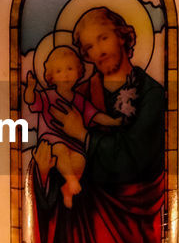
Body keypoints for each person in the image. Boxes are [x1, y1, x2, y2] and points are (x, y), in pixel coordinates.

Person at [29, 5, 167, 243]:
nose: (98, 51)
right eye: (89, 47)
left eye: (103, 39)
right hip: (81, 228)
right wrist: (42, 171)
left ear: (122, 36)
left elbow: (136, 159)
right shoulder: (77, 95)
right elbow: (51, 145)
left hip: (133, 224)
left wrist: (83, 135)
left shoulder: (152, 95)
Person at [23, 44, 120, 207]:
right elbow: (31, 100)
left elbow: (95, 116)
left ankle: (67, 189)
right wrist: (31, 88)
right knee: (60, 150)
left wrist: (114, 121)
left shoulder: (79, 100)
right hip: (51, 141)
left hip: (73, 143)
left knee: (80, 160)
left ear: (78, 72)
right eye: (59, 71)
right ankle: (71, 180)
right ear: (51, 77)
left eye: (70, 69)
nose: (65, 75)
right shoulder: (47, 96)